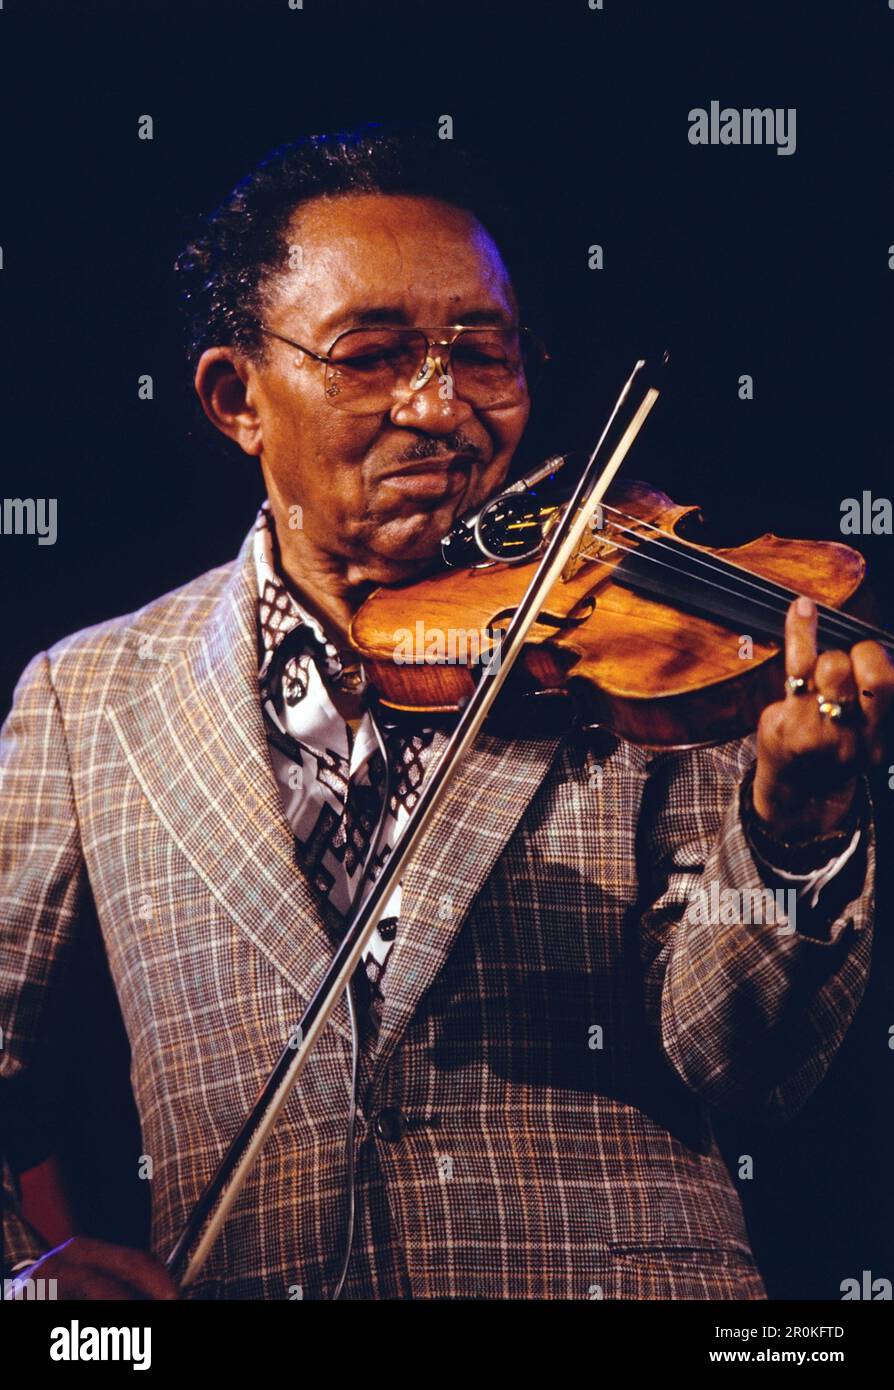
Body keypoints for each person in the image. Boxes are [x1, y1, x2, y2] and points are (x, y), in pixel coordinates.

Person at [2, 128, 891, 1300]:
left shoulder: (653, 653)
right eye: (371, 357)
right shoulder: (90, 693)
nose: (440, 409)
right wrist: (24, 1277)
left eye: (485, 354)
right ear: (237, 397)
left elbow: (743, 1061)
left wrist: (797, 828)